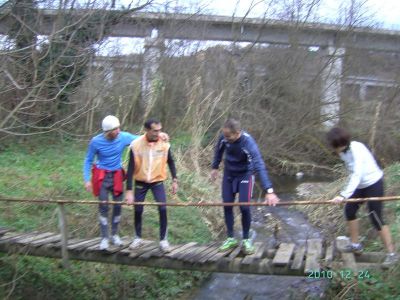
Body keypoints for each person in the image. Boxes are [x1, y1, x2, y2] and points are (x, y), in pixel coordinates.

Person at [83, 115, 167, 250]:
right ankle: (104, 238)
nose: (118, 131)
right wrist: (87, 179)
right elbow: (88, 160)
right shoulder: (95, 142)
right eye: (115, 130)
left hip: (117, 175)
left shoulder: (123, 137)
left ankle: (114, 235)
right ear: (107, 132)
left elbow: (142, 138)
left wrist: (159, 134)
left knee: (117, 206)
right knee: (103, 206)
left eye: (118, 128)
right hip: (102, 176)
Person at [327, 127, 397, 267]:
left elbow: (357, 174)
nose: (333, 149)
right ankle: (355, 245)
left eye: (334, 145)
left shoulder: (356, 148)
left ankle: (392, 254)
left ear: (340, 143)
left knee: (375, 217)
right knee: (349, 211)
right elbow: (353, 174)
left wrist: (343, 195)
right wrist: (347, 193)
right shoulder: (342, 152)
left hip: (374, 183)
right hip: (360, 186)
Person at [211, 118, 280, 255]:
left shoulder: (248, 143)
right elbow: (218, 151)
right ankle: (231, 238)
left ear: (237, 133)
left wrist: (269, 190)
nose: (225, 138)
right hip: (229, 175)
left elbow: (259, 165)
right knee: (227, 205)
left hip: (245, 175)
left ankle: (246, 240)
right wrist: (215, 167)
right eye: (224, 135)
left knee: (244, 206)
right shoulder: (224, 138)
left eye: (228, 136)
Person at [125, 118, 178, 253]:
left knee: (162, 209)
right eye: (155, 130)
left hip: (157, 182)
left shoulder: (164, 144)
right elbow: (130, 168)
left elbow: (171, 162)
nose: (158, 133)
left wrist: (175, 180)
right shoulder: (136, 145)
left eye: (160, 130)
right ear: (147, 130)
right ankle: (137, 238)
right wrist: (129, 190)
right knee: (137, 209)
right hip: (140, 181)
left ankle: (163, 240)